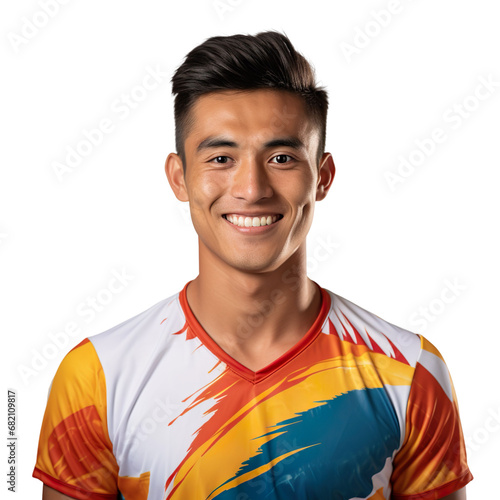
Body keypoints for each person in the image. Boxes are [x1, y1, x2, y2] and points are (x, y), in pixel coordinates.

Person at [33, 31, 473, 500]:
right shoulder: (97, 376)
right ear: (180, 178)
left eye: (281, 157)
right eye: (221, 158)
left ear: (321, 178)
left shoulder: (410, 372)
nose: (251, 187)